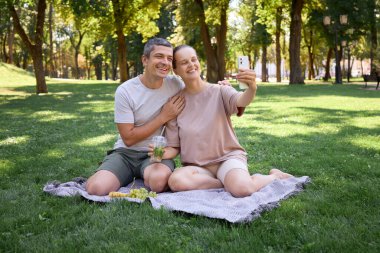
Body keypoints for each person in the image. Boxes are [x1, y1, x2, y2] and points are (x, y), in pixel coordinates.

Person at [159, 45, 292, 198]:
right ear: (175, 70)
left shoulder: (220, 90)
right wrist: (159, 153)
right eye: (184, 62)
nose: (191, 65)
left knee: (243, 189)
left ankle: (275, 176)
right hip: (197, 168)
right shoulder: (175, 104)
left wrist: (252, 88)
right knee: (176, 181)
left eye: (193, 59)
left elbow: (241, 100)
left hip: (227, 159)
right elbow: (174, 146)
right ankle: (226, 183)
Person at [85, 38, 185, 196]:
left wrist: (222, 88)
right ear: (145, 60)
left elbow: (201, 91)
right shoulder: (126, 91)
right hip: (126, 153)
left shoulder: (176, 85)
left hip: (157, 154)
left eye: (170, 58)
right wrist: (163, 116)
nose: (165, 62)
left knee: (158, 183)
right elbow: (129, 138)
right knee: (96, 189)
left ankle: (144, 174)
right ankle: (110, 171)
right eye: (159, 56)